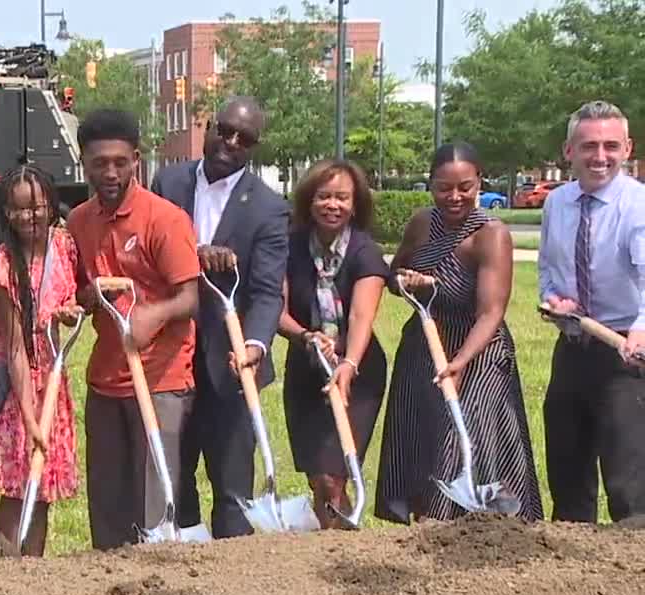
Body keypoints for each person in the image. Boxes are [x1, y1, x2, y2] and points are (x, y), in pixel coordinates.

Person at [376, 141, 542, 523]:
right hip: (425, 345)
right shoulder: (422, 222)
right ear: (430, 185)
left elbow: (491, 312)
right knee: (423, 442)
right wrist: (406, 281)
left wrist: (461, 361)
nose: (454, 197)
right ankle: (423, 530)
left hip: (478, 351)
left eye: (465, 187)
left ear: (479, 182)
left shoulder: (490, 234)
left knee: (463, 439)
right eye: (443, 188)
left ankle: (485, 529)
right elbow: (393, 277)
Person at [150, 97, 289, 540]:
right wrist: (194, 255)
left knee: (232, 491)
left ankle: (235, 582)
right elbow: (151, 262)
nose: (229, 143)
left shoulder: (268, 208)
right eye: (224, 130)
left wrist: (255, 344)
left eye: (243, 139)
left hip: (231, 366)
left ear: (254, 147)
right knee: (175, 480)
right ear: (208, 126)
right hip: (171, 360)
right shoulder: (167, 183)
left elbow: (266, 293)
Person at [69, 108, 200, 550]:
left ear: (137, 160)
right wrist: (83, 300)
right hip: (106, 379)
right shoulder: (79, 222)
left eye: (120, 162)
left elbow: (189, 297)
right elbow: (81, 290)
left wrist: (153, 314)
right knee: (107, 510)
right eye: (99, 163)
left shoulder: (164, 219)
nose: (110, 172)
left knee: (152, 508)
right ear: (83, 162)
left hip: (161, 379)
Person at [539, 100, 645, 523]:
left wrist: (641, 330)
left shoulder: (638, 206)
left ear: (627, 148)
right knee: (567, 472)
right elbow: (548, 270)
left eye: (610, 146)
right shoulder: (557, 204)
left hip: (624, 353)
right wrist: (555, 299)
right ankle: (571, 580)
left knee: (628, 479)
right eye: (588, 146)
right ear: (569, 151)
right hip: (573, 349)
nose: (599, 157)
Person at [0, 165, 82, 556]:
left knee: (42, 491)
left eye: (36, 208)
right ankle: (3, 567)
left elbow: (76, 299)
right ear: (5, 212)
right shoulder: (1, 264)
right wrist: (30, 415)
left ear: (51, 206)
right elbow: (16, 346)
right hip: (13, 383)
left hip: (52, 375)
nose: (28, 217)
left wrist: (70, 312)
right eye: (18, 209)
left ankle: (34, 570)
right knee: (18, 486)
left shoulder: (66, 247)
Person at [276, 159, 388, 529]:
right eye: (324, 196)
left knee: (333, 476)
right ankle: (334, 545)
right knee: (317, 479)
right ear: (309, 201)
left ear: (355, 204)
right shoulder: (290, 248)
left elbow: (361, 317)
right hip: (307, 371)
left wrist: (348, 363)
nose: (332, 205)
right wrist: (306, 336)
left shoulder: (365, 251)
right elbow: (277, 311)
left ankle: (340, 552)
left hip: (358, 373)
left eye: (342, 197)